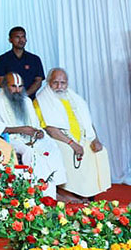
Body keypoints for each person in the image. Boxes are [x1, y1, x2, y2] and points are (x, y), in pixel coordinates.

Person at [33, 68, 111, 202]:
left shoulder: (74, 98)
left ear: (67, 83)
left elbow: (88, 122)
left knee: (99, 151)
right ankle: (67, 192)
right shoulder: (41, 100)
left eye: (63, 83)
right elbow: (50, 129)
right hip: (58, 138)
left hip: (81, 137)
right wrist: (72, 143)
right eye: (55, 82)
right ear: (48, 82)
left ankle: (86, 192)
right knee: (68, 151)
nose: (59, 86)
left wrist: (95, 139)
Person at [0, 73, 66, 198]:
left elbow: (35, 125)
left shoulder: (27, 101)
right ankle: (35, 192)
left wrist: (39, 132)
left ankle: (52, 190)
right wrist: (21, 129)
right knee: (30, 152)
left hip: (30, 137)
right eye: (13, 86)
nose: (17, 90)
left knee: (52, 146)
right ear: (5, 86)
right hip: (10, 139)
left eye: (20, 86)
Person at [0, 26, 44, 97]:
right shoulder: (2, 59)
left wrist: (25, 95)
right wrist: (15, 94)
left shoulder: (35, 59)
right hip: (9, 99)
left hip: (30, 99)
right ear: (10, 40)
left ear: (26, 39)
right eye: (17, 37)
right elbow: (1, 81)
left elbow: (38, 81)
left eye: (23, 37)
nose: (21, 40)